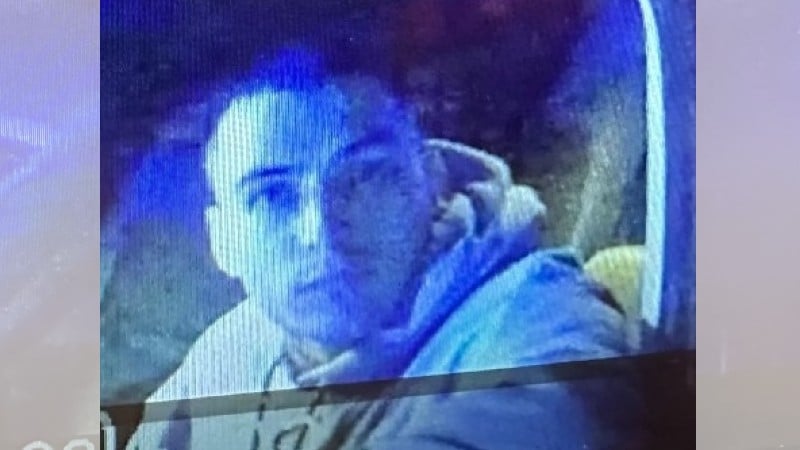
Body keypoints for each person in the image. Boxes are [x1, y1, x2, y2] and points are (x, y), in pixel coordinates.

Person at [128, 51, 643, 449]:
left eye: (365, 176)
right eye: (271, 196)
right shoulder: (238, 345)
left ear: (433, 181)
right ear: (223, 241)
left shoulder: (542, 328)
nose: (321, 232)